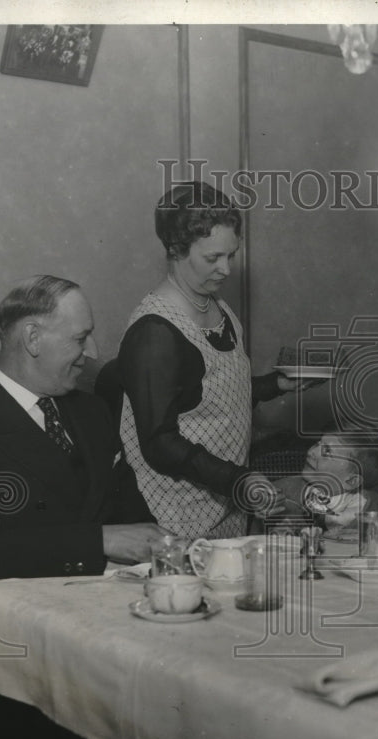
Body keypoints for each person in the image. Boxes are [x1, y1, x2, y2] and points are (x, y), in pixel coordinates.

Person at [0, 275, 165, 605]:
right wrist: (96, 541)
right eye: (81, 338)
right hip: (24, 621)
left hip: (112, 608)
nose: (92, 352)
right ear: (33, 339)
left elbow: (130, 516)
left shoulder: (93, 411)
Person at [117, 181, 306, 540]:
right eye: (212, 258)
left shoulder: (216, 306)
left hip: (225, 504)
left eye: (230, 255)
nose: (226, 270)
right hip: (172, 514)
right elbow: (159, 443)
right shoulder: (154, 332)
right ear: (175, 249)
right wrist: (238, 480)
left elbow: (209, 397)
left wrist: (274, 385)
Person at [271, 433, 378, 538]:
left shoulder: (374, 508)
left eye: (327, 452)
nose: (311, 452)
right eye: (318, 443)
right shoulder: (286, 490)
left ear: (351, 481)